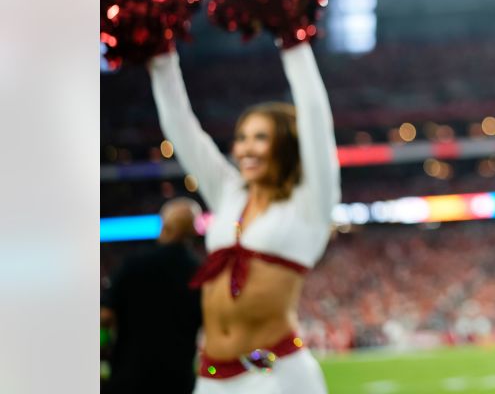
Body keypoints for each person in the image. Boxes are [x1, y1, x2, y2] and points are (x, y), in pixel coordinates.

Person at [148, 40, 339, 392]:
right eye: (241, 138)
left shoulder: (309, 204)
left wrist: (294, 43)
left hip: (269, 366)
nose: (245, 148)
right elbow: (181, 128)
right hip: (212, 373)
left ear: (285, 145)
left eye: (260, 138)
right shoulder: (230, 193)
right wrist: (163, 58)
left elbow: (315, 119)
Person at [102, 198, 204, 394]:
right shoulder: (200, 274)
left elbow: (105, 317)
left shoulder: (132, 265)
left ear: (163, 228)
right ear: (194, 230)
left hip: (128, 378)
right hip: (178, 381)